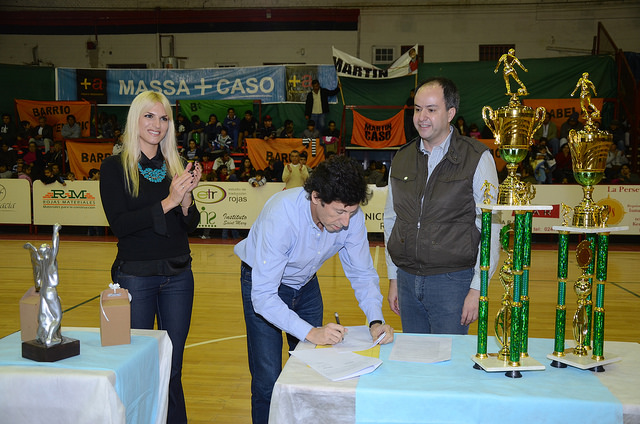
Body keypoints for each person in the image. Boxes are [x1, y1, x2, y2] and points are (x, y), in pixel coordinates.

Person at [234, 155, 395, 424]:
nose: (346, 221)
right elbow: (263, 298)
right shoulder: (282, 215)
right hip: (264, 285)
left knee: (313, 370)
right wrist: (312, 332)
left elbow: (362, 272)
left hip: (306, 285)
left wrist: (375, 320)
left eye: (351, 212)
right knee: (268, 378)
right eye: (339, 212)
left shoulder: (350, 216)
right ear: (316, 197)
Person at [99, 90, 201, 424]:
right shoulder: (114, 167)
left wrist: (185, 200)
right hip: (136, 278)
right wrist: (170, 201)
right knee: (138, 365)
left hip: (179, 276)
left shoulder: (175, 165)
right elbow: (121, 225)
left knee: (173, 368)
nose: (157, 124)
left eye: (163, 118)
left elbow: (191, 224)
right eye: (149, 116)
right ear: (135, 119)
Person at [384, 77, 500, 335]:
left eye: (431, 109)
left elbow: (492, 227)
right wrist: (393, 277)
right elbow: (392, 220)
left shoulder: (477, 158)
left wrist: (477, 288)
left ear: (450, 113)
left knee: (448, 369)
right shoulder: (401, 158)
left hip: (453, 283)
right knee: (414, 365)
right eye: (417, 109)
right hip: (406, 280)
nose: (421, 117)